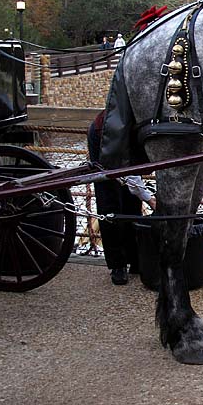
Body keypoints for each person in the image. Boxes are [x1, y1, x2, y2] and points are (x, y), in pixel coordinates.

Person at [87, 111, 155, 285]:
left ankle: (135, 259)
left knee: (132, 204)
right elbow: (128, 173)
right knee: (110, 201)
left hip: (130, 137)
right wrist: (150, 198)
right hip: (106, 136)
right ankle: (117, 264)